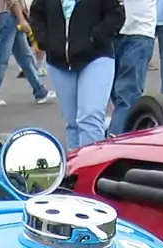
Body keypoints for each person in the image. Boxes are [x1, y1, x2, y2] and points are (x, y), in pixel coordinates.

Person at [27, 0, 120, 147]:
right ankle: (76, 160)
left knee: (90, 117)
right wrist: (45, 39)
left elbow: (116, 14)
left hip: (96, 57)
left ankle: (92, 160)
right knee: (72, 123)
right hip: (59, 61)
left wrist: (97, 36)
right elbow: (36, 14)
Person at [0, 0, 52, 103]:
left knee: (25, 56)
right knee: (1, 57)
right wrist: (21, 18)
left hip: (11, 14)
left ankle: (40, 91)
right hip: (10, 13)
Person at [107, 0, 152, 132]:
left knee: (127, 97)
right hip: (113, 31)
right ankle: (119, 134)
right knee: (118, 95)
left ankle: (116, 138)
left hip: (138, 32)